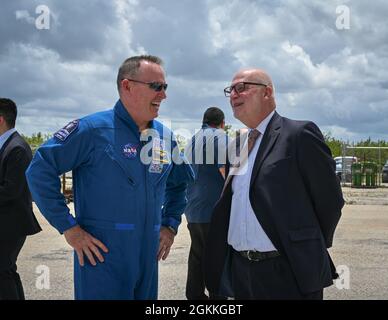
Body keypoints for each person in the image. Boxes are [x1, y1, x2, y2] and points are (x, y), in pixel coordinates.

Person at [26, 55, 192, 300]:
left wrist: (169, 225)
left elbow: (180, 184)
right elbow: (39, 170)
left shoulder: (164, 137)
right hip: (102, 257)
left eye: (165, 87)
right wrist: (69, 228)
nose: (163, 95)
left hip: (147, 258)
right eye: (156, 87)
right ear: (127, 86)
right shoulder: (91, 130)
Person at [203, 68, 344, 300]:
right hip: (241, 271)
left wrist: (306, 242)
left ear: (267, 93)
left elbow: (330, 200)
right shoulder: (238, 145)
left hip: (286, 270)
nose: (233, 95)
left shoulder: (298, 134)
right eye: (230, 90)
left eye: (242, 87)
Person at [0, 98, 42, 300]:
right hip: (6, 222)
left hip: (11, 224)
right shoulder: (8, 145)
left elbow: (11, 190)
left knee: (3, 273)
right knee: (6, 271)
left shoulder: (17, 148)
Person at [184, 107, 227, 300]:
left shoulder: (191, 141)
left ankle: (194, 296)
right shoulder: (219, 137)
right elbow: (226, 172)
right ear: (222, 123)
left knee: (198, 254)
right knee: (218, 257)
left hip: (192, 208)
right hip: (214, 208)